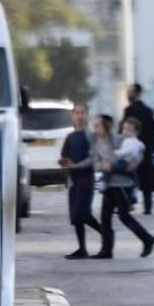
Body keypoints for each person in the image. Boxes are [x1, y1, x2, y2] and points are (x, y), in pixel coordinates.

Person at [93, 115, 154, 259]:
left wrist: (111, 166)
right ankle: (106, 250)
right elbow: (97, 162)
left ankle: (148, 239)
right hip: (109, 184)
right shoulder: (100, 143)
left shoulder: (121, 141)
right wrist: (102, 166)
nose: (96, 129)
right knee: (105, 218)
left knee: (124, 216)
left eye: (99, 126)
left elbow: (132, 164)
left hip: (122, 185)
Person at [58, 103, 103, 260]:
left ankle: (105, 233)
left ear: (87, 115)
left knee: (83, 213)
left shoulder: (90, 135)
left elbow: (93, 157)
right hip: (73, 180)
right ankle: (82, 248)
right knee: (76, 216)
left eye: (82, 112)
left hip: (86, 179)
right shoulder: (70, 136)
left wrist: (77, 165)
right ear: (72, 115)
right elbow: (64, 154)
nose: (79, 115)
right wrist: (64, 162)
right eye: (76, 113)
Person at [123, 83, 154, 215]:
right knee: (146, 180)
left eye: (130, 92)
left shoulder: (129, 110)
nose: (128, 95)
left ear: (135, 93)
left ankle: (127, 203)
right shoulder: (148, 111)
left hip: (130, 151)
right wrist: (151, 149)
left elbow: (123, 130)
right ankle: (148, 206)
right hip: (146, 150)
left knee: (128, 176)